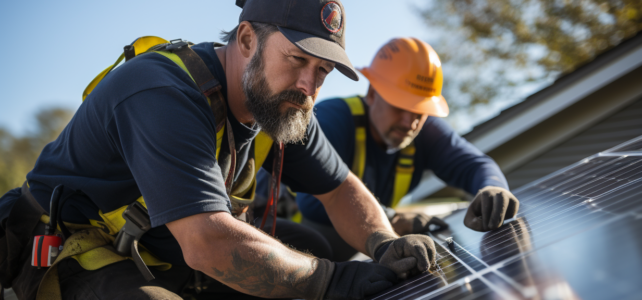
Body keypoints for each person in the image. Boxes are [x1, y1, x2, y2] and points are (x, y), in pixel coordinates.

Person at [0, 2, 439, 300]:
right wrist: (330, 280)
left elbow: (341, 188)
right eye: (297, 59)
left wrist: (384, 243)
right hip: (73, 250)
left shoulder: (283, 105)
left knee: (305, 243)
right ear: (247, 40)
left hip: (159, 247)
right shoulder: (161, 92)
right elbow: (208, 244)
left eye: (321, 70)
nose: (309, 85)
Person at [262, 38, 520, 261]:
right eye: (400, 107)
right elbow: (314, 201)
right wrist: (393, 218)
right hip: (270, 237)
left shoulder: (424, 133)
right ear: (373, 93)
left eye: (420, 112)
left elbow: (475, 166)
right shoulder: (332, 119)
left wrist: (493, 187)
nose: (410, 122)